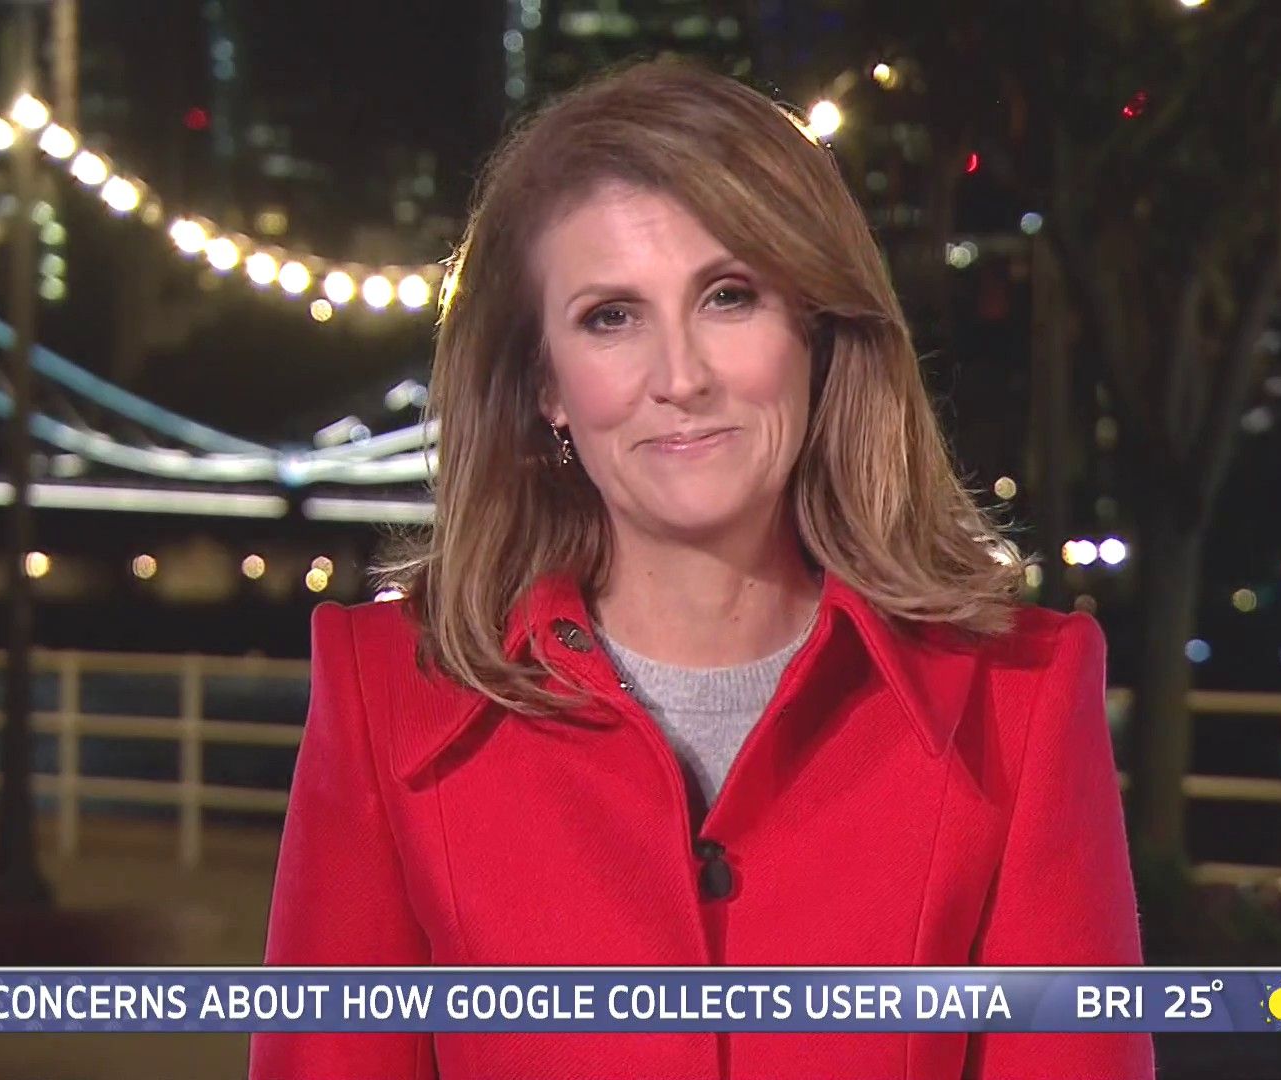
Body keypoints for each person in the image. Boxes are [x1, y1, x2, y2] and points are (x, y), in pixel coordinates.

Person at [250, 58, 1152, 1080]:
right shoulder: (388, 697)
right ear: (546, 384)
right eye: (611, 316)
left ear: (816, 332)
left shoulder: (1020, 699)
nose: (680, 378)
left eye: (729, 297)